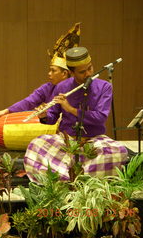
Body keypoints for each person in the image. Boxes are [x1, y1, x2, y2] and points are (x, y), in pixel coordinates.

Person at [24, 46, 128, 181]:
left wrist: (71, 109)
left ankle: (84, 180)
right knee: (36, 145)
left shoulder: (104, 87)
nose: (89, 74)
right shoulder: (62, 87)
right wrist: (43, 116)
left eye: (90, 68)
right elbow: (52, 117)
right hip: (67, 139)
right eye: (82, 72)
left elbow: (100, 118)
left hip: (94, 139)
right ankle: (65, 179)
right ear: (72, 73)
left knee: (119, 151)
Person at [0, 23, 80, 121]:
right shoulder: (48, 88)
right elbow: (29, 102)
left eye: (53, 71)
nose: (49, 73)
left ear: (64, 73)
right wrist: (6, 111)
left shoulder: (76, 88)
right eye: (49, 70)